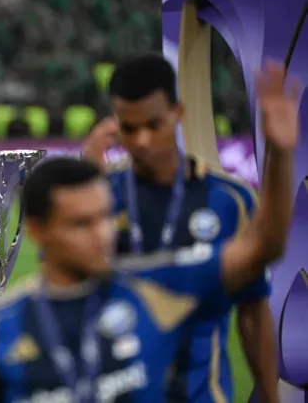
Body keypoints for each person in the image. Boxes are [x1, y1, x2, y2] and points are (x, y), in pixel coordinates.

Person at [0, 101, 295, 401]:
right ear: (37, 230)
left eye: (106, 217)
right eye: (81, 224)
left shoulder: (157, 289)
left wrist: (280, 157)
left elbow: (261, 249)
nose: (102, 234)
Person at [81, 54, 290, 402]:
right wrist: (85, 186)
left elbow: (253, 311)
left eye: (154, 125)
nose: (142, 141)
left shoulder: (230, 200)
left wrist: (270, 396)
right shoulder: (98, 196)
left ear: (177, 113)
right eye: (129, 129)